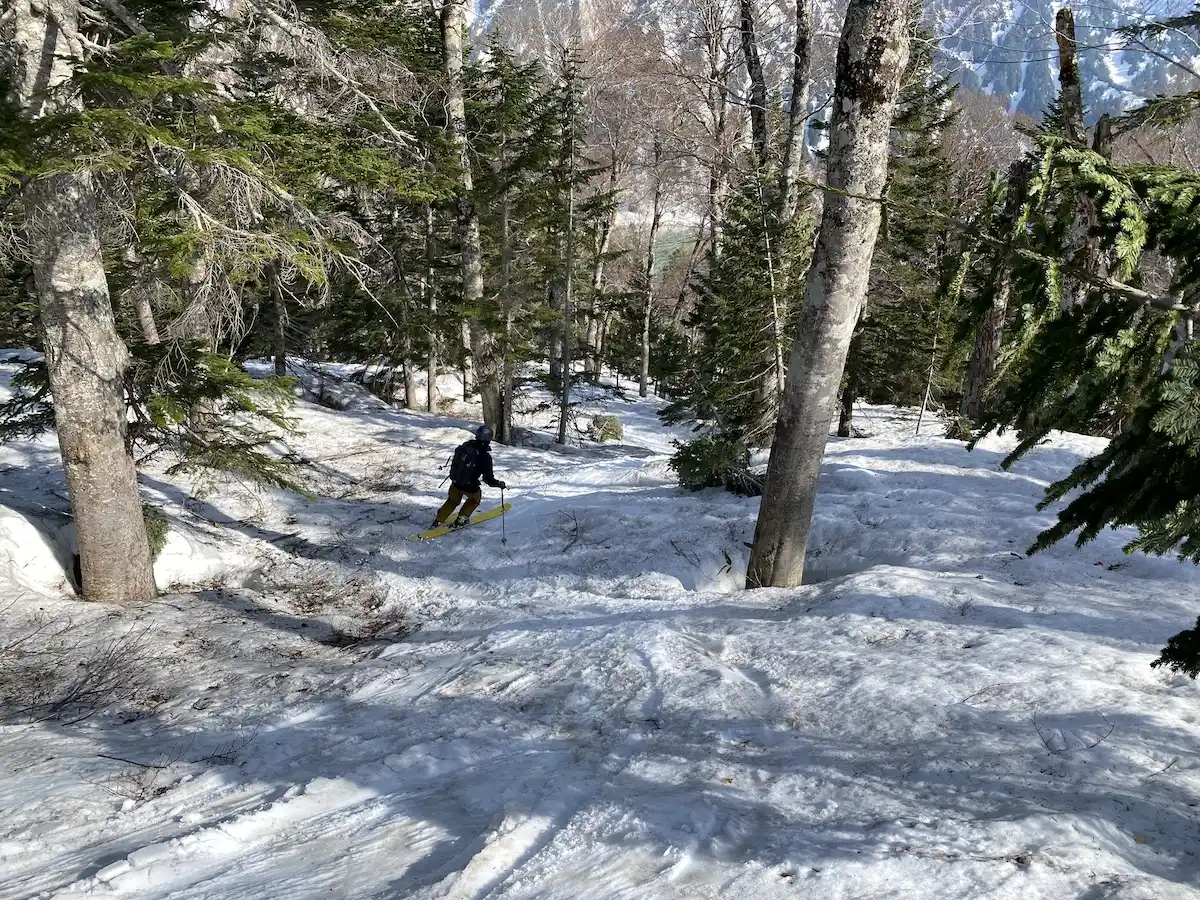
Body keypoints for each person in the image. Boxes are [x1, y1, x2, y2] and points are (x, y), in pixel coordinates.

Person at [432, 424, 507, 529]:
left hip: (456, 482)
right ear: (489, 439)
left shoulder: (466, 446)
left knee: (452, 501)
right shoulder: (485, 457)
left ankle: (438, 520)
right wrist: (499, 484)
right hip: (470, 486)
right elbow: (488, 479)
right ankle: (461, 519)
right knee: (475, 499)